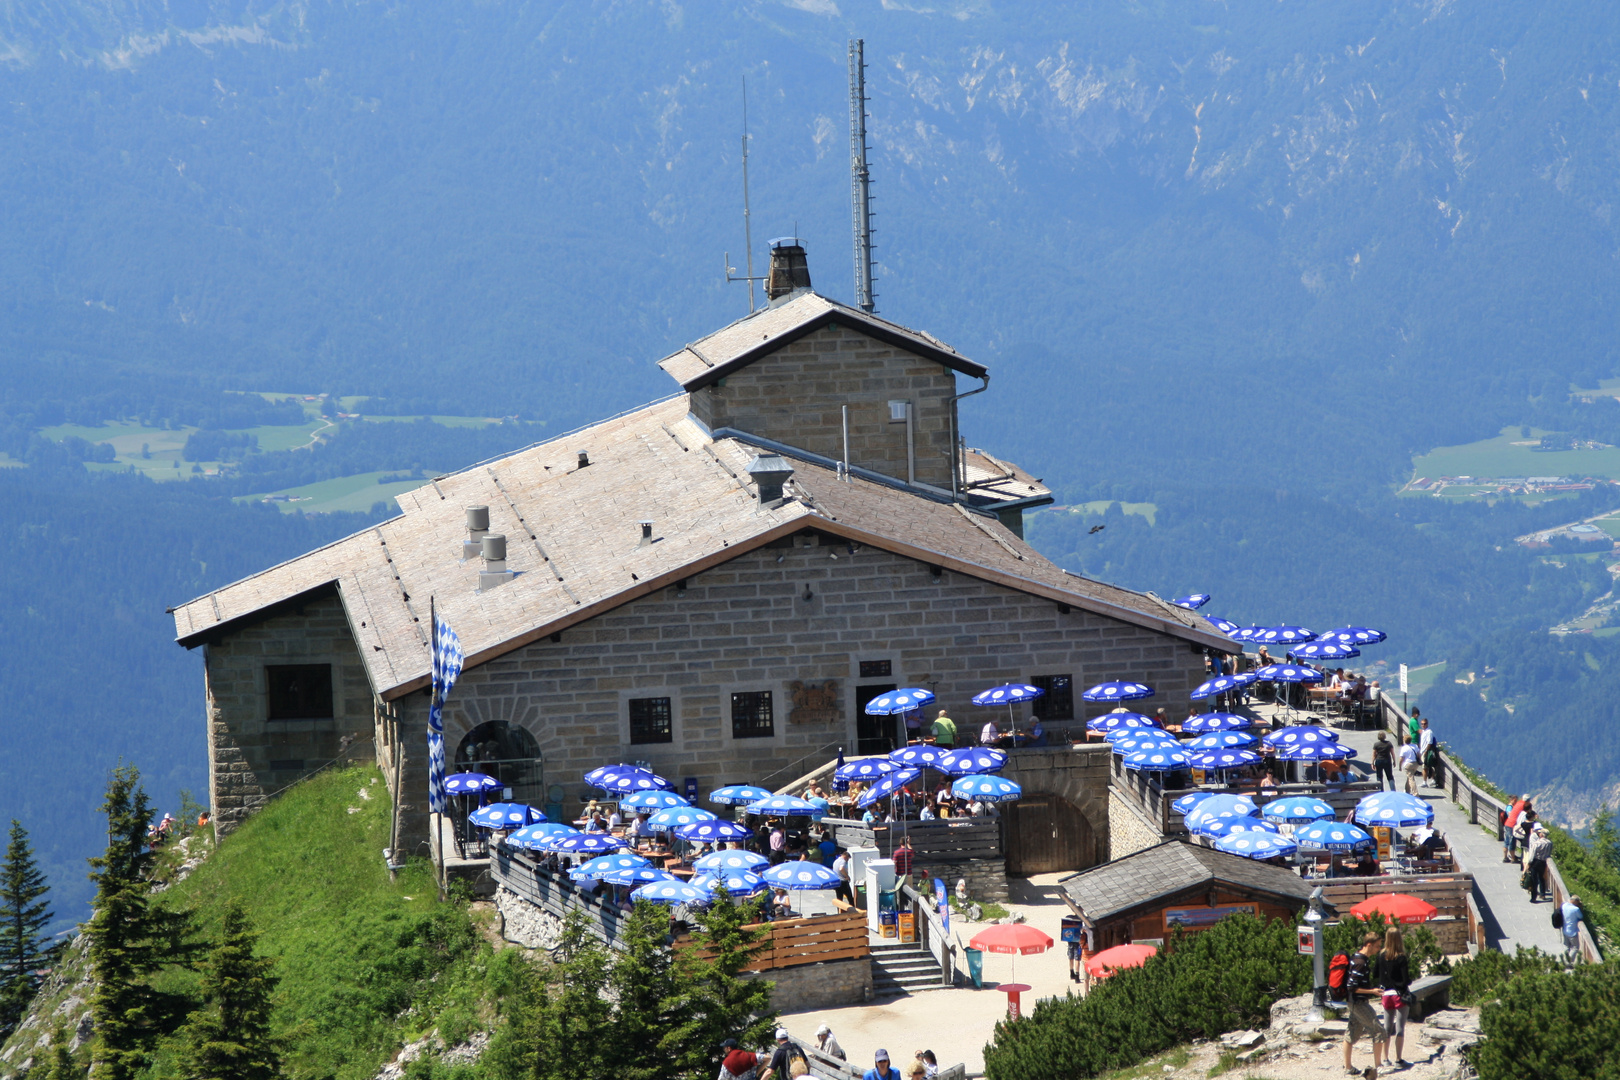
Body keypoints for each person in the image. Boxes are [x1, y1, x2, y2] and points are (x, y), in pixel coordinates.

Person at [1343, 933, 1388, 1076]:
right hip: (1358, 1002)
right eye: (1377, 946)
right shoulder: (1360, 963)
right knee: (1379, 1030)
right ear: (1369, 945)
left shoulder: (1358, 958)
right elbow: (1351, 987)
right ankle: (1379, 1065)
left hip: (1353, 1002)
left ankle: (1348, 1068)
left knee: (1351, 1033)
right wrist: (1372, 991)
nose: (1378, 949)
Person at [1376, 927, 1413, 1069]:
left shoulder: (1381, 956)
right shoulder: (1401, 957)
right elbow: (1405, 980)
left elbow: (1375, 974)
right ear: (1399, 939)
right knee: (1400, 1028)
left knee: (1387, 1028)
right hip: (1399, 995)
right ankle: (1398, 1059)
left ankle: (1385, 1058)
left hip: (1386, 995)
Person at [1526, 823, 1553, 902]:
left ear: (1542, 834)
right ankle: (1542, 894)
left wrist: (1529, 863)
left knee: (1534, 880)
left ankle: (1533, 897)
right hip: (1543, 862)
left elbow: (1532, 854)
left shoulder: (1536, 843)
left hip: (1536, 862)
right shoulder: (1549, 843)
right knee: (1542, 878)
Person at [1561, 895, 1585, 967]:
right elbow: (1581, 916)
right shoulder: (1576, 909)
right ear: (1576, 901)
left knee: (1567, 946)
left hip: (1565, 930)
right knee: (1575, 947)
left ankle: (1564, 959)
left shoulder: (1564, 905)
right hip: (1573, 932)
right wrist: (1580, 908)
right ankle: (1569, 961)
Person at [1504, 795, 1529, 861]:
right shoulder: (1524, 805)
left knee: (1506, 842)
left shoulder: (1518, 803)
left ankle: (1505, 857)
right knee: (1512, 842)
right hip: (1512, 825)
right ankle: (1513, 858)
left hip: (1507, 823)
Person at [1417, 717, 1437, 787]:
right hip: (1423, 751)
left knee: (1425, 767)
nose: (1423, 725)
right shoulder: (1423, 732)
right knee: (1427, 767)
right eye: (1422, 724)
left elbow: (1429, 742)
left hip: (1426, 752)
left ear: (1427, 724)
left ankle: (1425, 782)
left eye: (1424, 724)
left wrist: (1426, 751)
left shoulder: (1429, 732)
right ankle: (1432, 780)